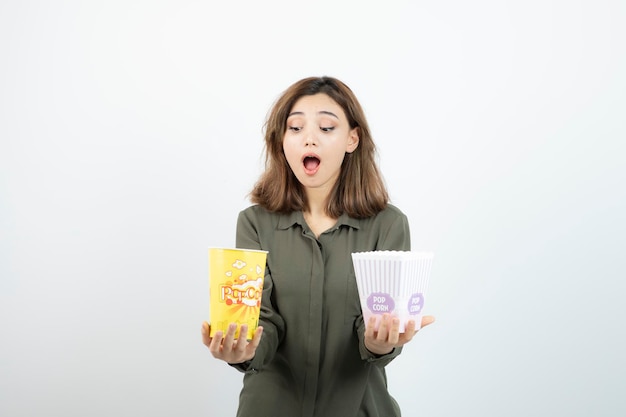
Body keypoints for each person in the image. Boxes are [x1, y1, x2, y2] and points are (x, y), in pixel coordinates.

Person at [201, 76, 435, 417]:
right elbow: (263, 320)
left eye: (326, 127)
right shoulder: (254, 223)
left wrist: (378, 342)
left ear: (352, 139)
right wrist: (243, 350)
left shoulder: (388, 225)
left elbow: (378, 323)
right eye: (295, 128)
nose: (309, 137)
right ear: (282, 141)